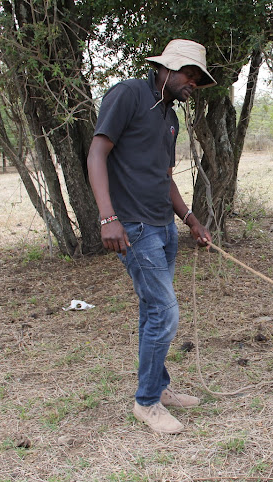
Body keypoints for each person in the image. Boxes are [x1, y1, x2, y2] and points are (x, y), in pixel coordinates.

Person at [86, 39, 215, 434]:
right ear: (166, 68)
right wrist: (108, 217)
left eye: (197, 78)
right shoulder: (128, 94)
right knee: (165, 311)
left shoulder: (170, 118)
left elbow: (164, 177)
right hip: (133, 228)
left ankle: (157, 387)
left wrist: (191, 219)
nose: (192, 82)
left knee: (153, 311)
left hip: (163, 226)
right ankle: (146, 402)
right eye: (188, 74)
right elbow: (96, 154)